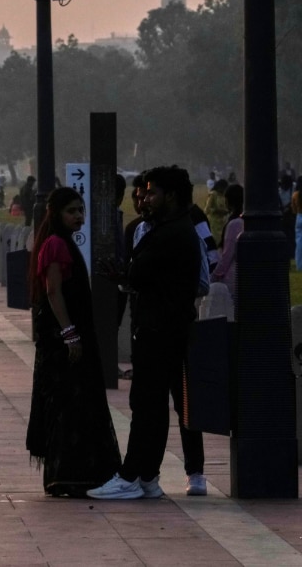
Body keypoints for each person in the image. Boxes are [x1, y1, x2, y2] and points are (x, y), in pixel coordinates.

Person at [89, 165, 206, 500]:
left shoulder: (173, 233)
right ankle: (148, 476)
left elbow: (142, 273)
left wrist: (126, 274)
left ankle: (130, 475)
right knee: (151, 406)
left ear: (170, 195)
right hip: (161, 327)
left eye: (152, 192)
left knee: (147, 405)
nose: (145, 199)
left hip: (161, 330)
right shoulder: (170, 228)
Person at [25, 187, 122, 497]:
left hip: (71, 334)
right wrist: (70, 334)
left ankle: (78, 474)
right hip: (63, 339)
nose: (78, 216)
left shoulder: (63, 243)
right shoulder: (55, 245)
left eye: (81, 210)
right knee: (70, 402)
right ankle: (70, 474)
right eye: (72, 211)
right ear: (56, 214)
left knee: (77, 402)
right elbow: (54, 292)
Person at [212, 184, 244, 303]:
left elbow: (227, 256)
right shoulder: (245, 221)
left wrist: (214, 276)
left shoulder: (234, 224)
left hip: (230, 278)